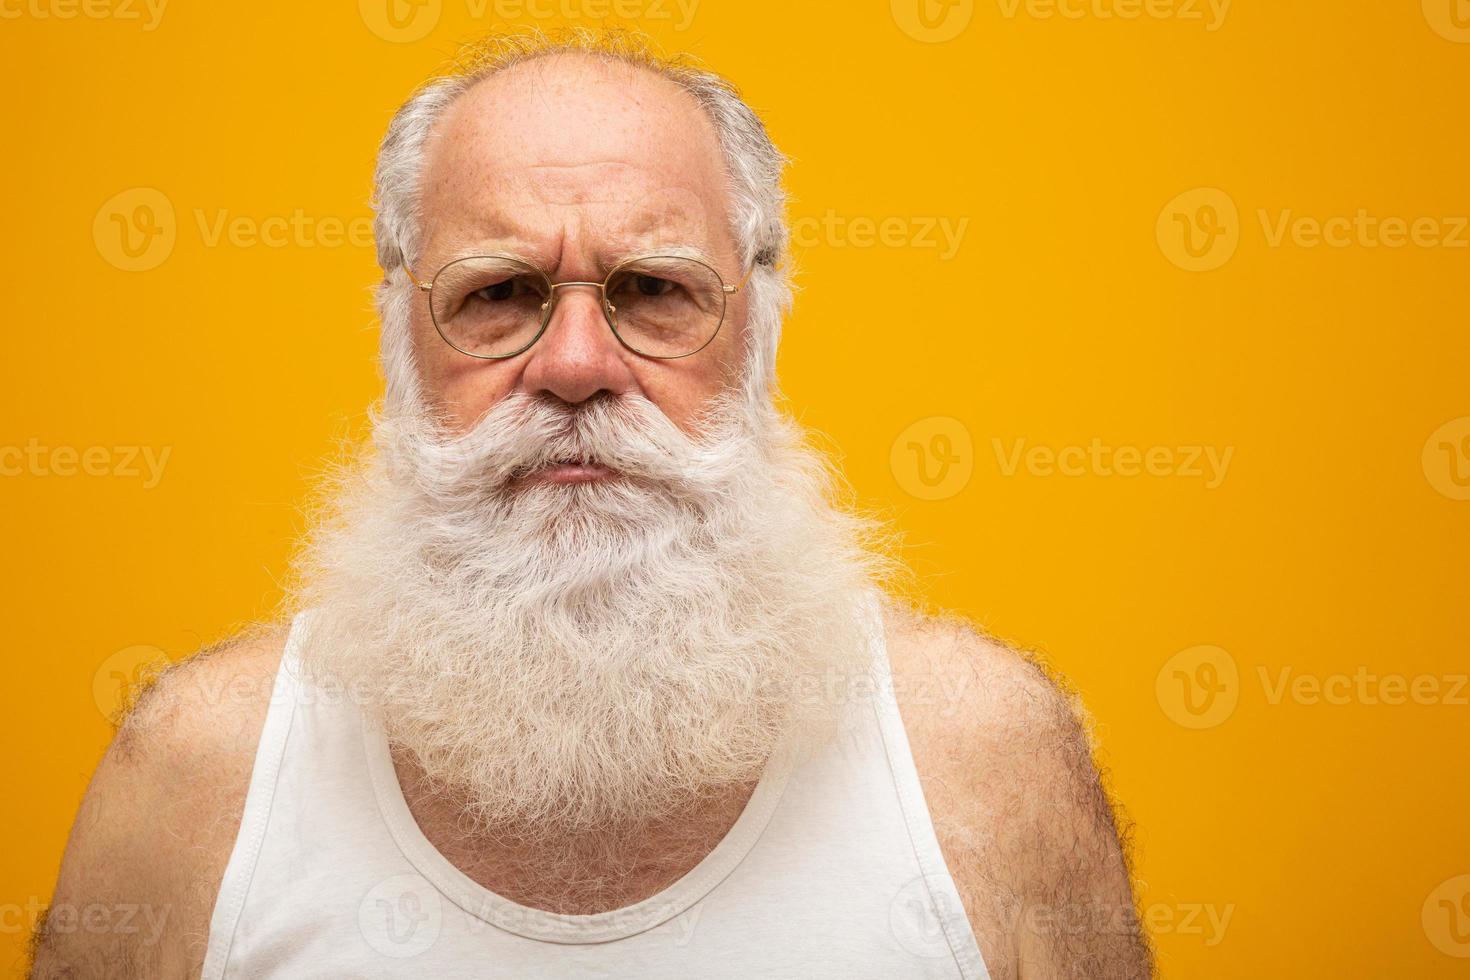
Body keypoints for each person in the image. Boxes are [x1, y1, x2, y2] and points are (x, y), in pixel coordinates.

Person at [31, 30, 1150, 979]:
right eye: (498, 292)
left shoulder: (984, 757)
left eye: (657, 290)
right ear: (398, 336)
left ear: (762, 325)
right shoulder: (197, 773)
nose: (574, 363)